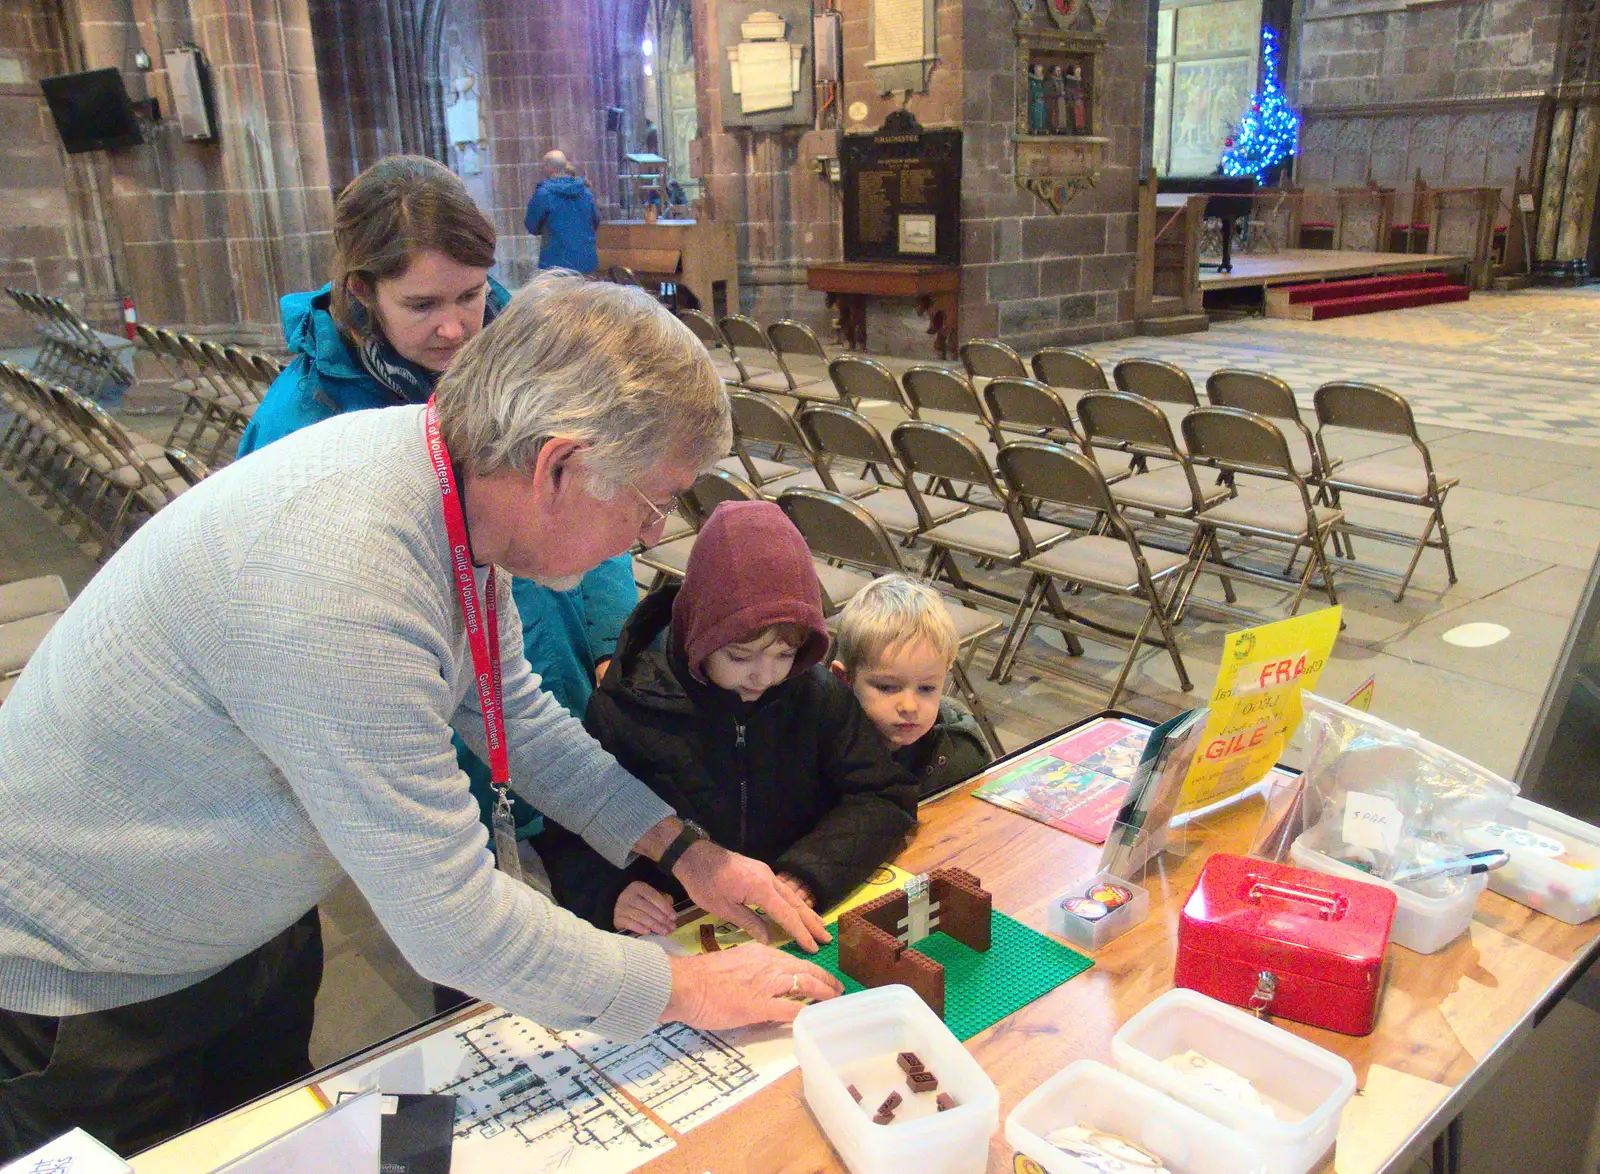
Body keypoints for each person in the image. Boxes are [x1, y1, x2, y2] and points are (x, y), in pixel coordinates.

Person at [0, 274, 838, 1159]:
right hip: (96, 974)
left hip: (239, 915)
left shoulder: (451, 487)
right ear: (558, 465)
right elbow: (448, 920)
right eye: (650, 501)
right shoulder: (346, 577)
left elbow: (512, 711)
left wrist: (685, 852)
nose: (645, 534)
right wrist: (686, 989)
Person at [236, 154, 637, 840]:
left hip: (552, 672)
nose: (455, 328)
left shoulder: (531, 354)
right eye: (422, 305)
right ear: (363, 290)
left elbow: (595, 493)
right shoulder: (306, 420)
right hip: (432, 728)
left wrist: (614, 641)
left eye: (469, 295)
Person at [538, 501, 918, 936]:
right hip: (679, 918)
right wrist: (610, 894)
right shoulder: (628, 705)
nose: (764, 675)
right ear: (699, 633)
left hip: (782, 911)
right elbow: (566, 827)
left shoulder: (813, 693)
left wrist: (807, 873)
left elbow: (883, 796)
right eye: (739, 656)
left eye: (785, 654)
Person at [831, 576, 993, 799]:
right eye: (887, 687)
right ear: (844, 679)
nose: (909, 706)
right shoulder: (816, 750)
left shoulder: (961, 754)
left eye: (926, 688)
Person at [525, 150, 600, 274]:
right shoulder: (585, 192)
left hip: (555, 263)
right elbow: (595, 221)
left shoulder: (544, 194)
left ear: (550, 168)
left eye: (544, 165)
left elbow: (532, 226)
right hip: (586, 261)